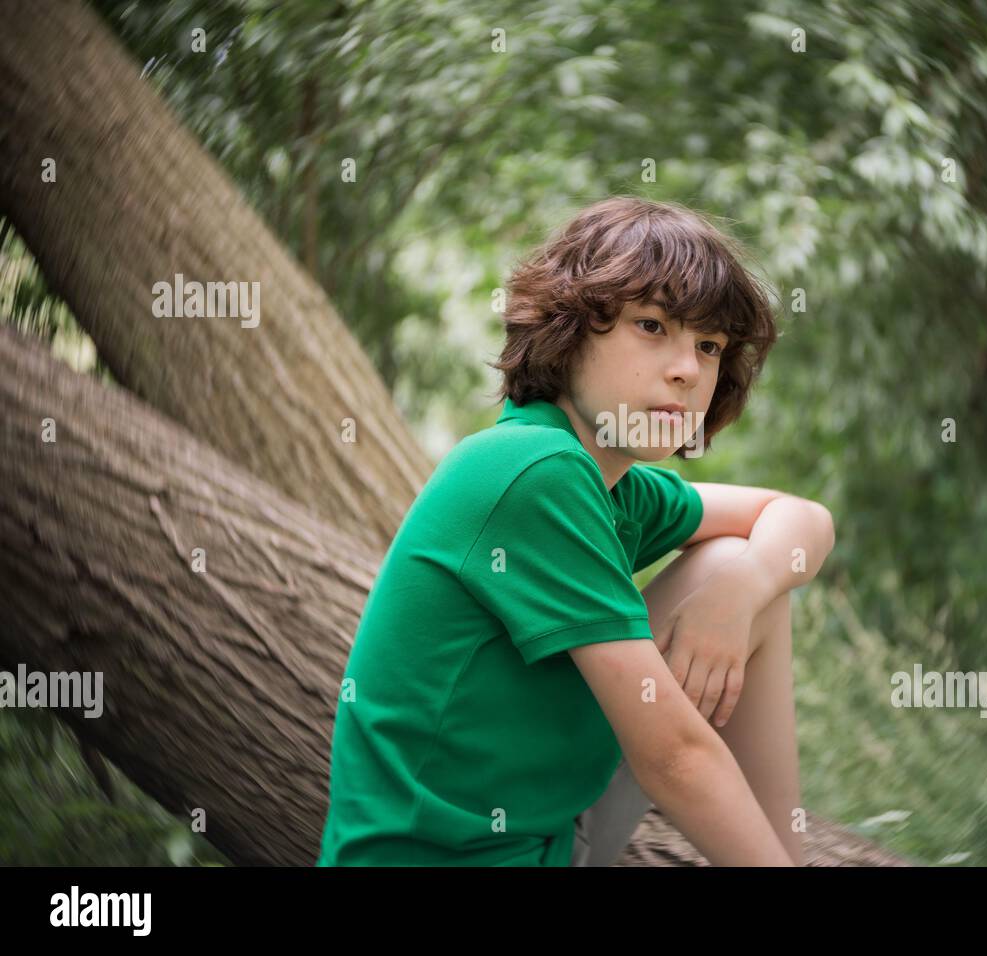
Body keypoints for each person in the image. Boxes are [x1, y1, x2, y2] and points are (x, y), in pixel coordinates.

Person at [316, 195, 835, 867]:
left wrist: (741, 587)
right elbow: (673, 757)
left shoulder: (615, 485)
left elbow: (801, 519)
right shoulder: (532, 469)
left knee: (737, 561)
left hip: (548, 844)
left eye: (708, 346)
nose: (687, 369)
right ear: (568, 333)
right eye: (652, 326)